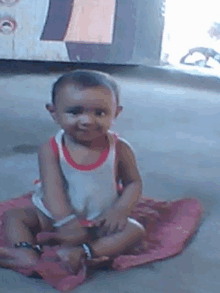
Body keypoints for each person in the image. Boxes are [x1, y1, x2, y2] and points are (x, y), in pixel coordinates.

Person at [0, 70, 145, 275]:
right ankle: (25, 252)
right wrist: (66, 222)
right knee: (14, 216)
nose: (87, 120)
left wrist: (119, 210)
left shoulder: (120, 148)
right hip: (53, 216)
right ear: (54, 113)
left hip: (100, 218)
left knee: (135, 230)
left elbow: (134, 183)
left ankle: (85, 252)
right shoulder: (51, 148)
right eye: (75, 112)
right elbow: (53, 190)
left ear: (116, 113)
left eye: (100, 113)